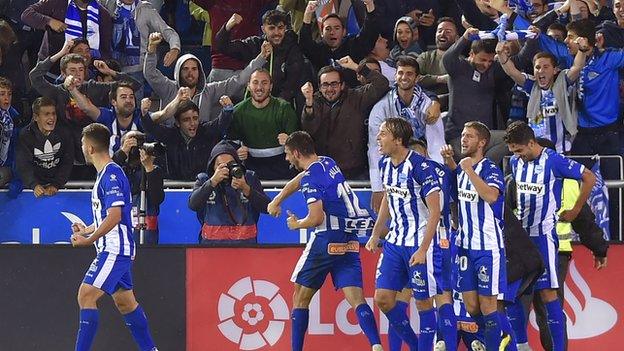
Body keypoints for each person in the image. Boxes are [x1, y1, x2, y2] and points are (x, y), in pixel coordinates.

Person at [266, 131, 382, 351]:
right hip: (349, 239)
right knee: (356, 299)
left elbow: (316, 217)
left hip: (326, 239)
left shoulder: (311, 179)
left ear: (297, 152)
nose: (287, 158)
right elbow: (300, 179)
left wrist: (297, 224)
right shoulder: (328, 162)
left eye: (288, 154)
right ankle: (376, 344)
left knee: (300, 297)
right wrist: (279, 198)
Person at [504, 121, 596, 351]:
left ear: (532, 143)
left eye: (520, 150)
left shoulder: (553, 160)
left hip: (543, 238)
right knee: (512, 294)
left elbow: (589, 178)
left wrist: (575, 209)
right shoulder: (515, 163)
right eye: (513, 151)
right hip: (520, 241)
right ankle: (522, 345)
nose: (517, 155)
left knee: (548, 294)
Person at [69, 123, 158, 351]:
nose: (82, 147)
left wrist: (88, 240)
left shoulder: (110, 174)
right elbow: (107, 216)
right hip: (115, 248)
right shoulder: (107, 174)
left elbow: (116, 216)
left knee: (86, 295)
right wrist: (86, 230)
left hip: (114, 249)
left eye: (82, 143)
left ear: (89, 148)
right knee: (125, 302)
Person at [366, 117, 441, 351]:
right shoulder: (385, 164)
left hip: (418, 243)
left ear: (398, 140)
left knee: (423, 303)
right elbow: (388, 198)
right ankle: (417, 345)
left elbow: (435, 211)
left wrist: (423, 249)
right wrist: (376, 233)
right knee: (383, 299)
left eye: (383, 134)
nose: (378, 138)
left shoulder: (421, 167)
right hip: (394, 243)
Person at [440, 121, 509, 351]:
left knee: (489, 305)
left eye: (469, 136)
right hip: (465, 247)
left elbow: (491, 196)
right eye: (462, 134)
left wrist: (469, 169)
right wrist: (452, 164)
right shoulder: (461, 169)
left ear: (482, 142)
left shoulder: (489, 169)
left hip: (487, 248)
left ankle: (497, 342)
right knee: (471, 306)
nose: (463, 139)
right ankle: (500, 337)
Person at [368, 55, 443, 212]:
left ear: (417, 78)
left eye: (409, 73)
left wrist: (438, 179)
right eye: (401, 73)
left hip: (422, 160)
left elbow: (437, 144)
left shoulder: (429, 106)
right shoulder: (381, 108)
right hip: (393, 161)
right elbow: (375, 148)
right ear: (395, 76)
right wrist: (377, 186)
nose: (404, 77)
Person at [144, 32, 267, 126]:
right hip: (172, 143)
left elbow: (239, 80)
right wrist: (151, 50)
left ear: (200, 72)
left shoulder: (210, 90)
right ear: (178, 72)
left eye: (194, 69)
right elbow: (150, 73)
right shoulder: (168, 87)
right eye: (185, 69)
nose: (190, 73)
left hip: (201, 145)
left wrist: (261, 57)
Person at [301, 55, 389, 179]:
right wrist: (309, 102)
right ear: (320, 87)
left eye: (334, 84)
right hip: (323, 170)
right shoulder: (313, 101)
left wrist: (356, 67)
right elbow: (309, 129)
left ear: (342, 85)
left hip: (353, 171)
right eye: (325, 85)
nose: (330, 89)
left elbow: (381, 84)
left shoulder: (356, 97)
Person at [496, 38, 589, 153]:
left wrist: (582, 49)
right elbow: (512, 72)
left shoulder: (562, 83)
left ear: (555, 70)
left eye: (546, 67)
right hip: (535, 150)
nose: (541, 71)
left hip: (560, 150)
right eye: (538, 67)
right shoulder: (531, 86)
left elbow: (577, 67)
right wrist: (501, 55)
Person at [442, 28, 513, 166]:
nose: (486, 64)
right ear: (471, 54)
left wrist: (531, 42)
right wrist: (465, 38)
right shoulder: (459, 68)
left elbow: (519, 62)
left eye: (490, 61)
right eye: (482, 59)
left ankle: (481, 170)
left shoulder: (492, 71)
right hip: (459, 137)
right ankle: (477, 171)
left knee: (511, 140)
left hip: (485, 138)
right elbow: (447, 58)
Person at [214, 10, 307, 103]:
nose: (277, 32)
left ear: (285, 28)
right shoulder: (254, 44)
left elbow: (291, 85)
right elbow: (223, 47)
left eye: (280, 28)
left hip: (280, 106)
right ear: (263, 29)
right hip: (253, 104)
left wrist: (275, 107)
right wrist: (227, 27)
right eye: (271, 28)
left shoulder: (292, 49)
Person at [141, 89, 235, 181]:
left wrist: (228, 109)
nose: (192, 123)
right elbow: (151, 128)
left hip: (202, 186)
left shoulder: (205, 131)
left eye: (195, 118)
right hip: (174, 188)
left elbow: (221, 124)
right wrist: (144, 113)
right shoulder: (170, 135)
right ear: (178, 123)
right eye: (186, 120)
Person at [188, 140, 270, 245]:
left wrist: (246, 189)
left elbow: (268, 207)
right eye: (220, 165)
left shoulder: (249, 178)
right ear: (212, 166)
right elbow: (193, 205)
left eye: (230, 164)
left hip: (246, 247)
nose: (225, 169)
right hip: (212, 248)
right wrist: (212, 182)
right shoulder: (204, 179)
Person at [228, 68, 299, 180]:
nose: (259, 87)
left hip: (282, 166)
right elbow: (230, 143)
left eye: (264, 83)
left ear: (271, 86)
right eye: (255, 82)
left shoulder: (284, 108)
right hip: (251, 167)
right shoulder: (238, 111)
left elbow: (299, 144)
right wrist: (237, 151)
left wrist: (290, 141)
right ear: (248, 86)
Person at [299, 0, 380, 87]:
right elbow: (304, 43)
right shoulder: (318, 51)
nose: (332, 32)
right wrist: (308, 13)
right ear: (321, 33)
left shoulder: (354, 46)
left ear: (344, 32)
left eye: (337, 28)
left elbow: (370, 33)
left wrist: (369, 4)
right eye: (328, 29)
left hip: (353, 95)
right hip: (326, 97)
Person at [112, 131, 165, 245]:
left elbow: (157, 199)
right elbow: (104, 175)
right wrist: (122, 153)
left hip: (146, 233)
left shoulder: (154, 170)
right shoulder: (119, 169)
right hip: (121, 230)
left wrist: (149, 168)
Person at [16, 97, 74, 197]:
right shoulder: (26, 135)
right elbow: (24, 164)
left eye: (53, 113)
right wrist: (33, 184)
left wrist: (56, 184)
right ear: (36, 117)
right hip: (34, 187)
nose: (52, 118)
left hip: (59, 185)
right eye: (47, 114)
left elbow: (67, 162)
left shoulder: (65, 133)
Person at [67, 80, 143, 154]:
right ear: (114, 102)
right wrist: (72, 89)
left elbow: (154, 116)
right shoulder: (108, 116)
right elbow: (87, 108)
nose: (128, 100)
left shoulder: (141, 116)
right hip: (112, 163)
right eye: (123, 97)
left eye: (131, 97)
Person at [21, 0, 113, 61]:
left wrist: (90, 55)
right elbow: (27, 15)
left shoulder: (103, 14)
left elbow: (105, 51)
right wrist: (49, 21)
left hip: (83, 74)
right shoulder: (57, 2)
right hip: (51, 67)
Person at [416, 17, 459, 105]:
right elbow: (413, 78)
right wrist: (440, 79)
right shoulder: (425, 57)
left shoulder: (461, 61)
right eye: (439, 31)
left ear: (457, 38)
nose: (442, 34)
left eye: (448, 32)